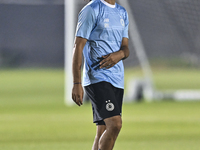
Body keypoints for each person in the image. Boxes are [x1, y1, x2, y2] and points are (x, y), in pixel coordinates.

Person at [72, 0, 129, 150]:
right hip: (97, 77)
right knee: (115, 124)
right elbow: (78, 46)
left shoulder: (122, 12)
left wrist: (120, 54)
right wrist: (76, 83)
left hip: (117, 79)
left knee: (103, 129)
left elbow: (126, 48)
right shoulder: (91, 9)